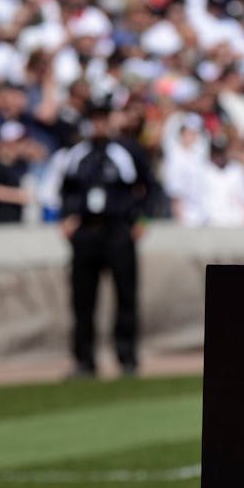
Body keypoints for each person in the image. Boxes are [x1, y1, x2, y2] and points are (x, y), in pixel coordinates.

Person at [52, 99, 154, 378]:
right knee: (83, 300)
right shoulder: (76, 154)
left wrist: (142, 219)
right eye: (93, 119)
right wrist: (66, 217)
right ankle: (85, 361)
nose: (98, 125)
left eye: (102, 119)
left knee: (126, 297)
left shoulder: (126, 151)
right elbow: (64, 190)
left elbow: (150, 185)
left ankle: (127, 358)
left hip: (118, 230)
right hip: (86, 232)